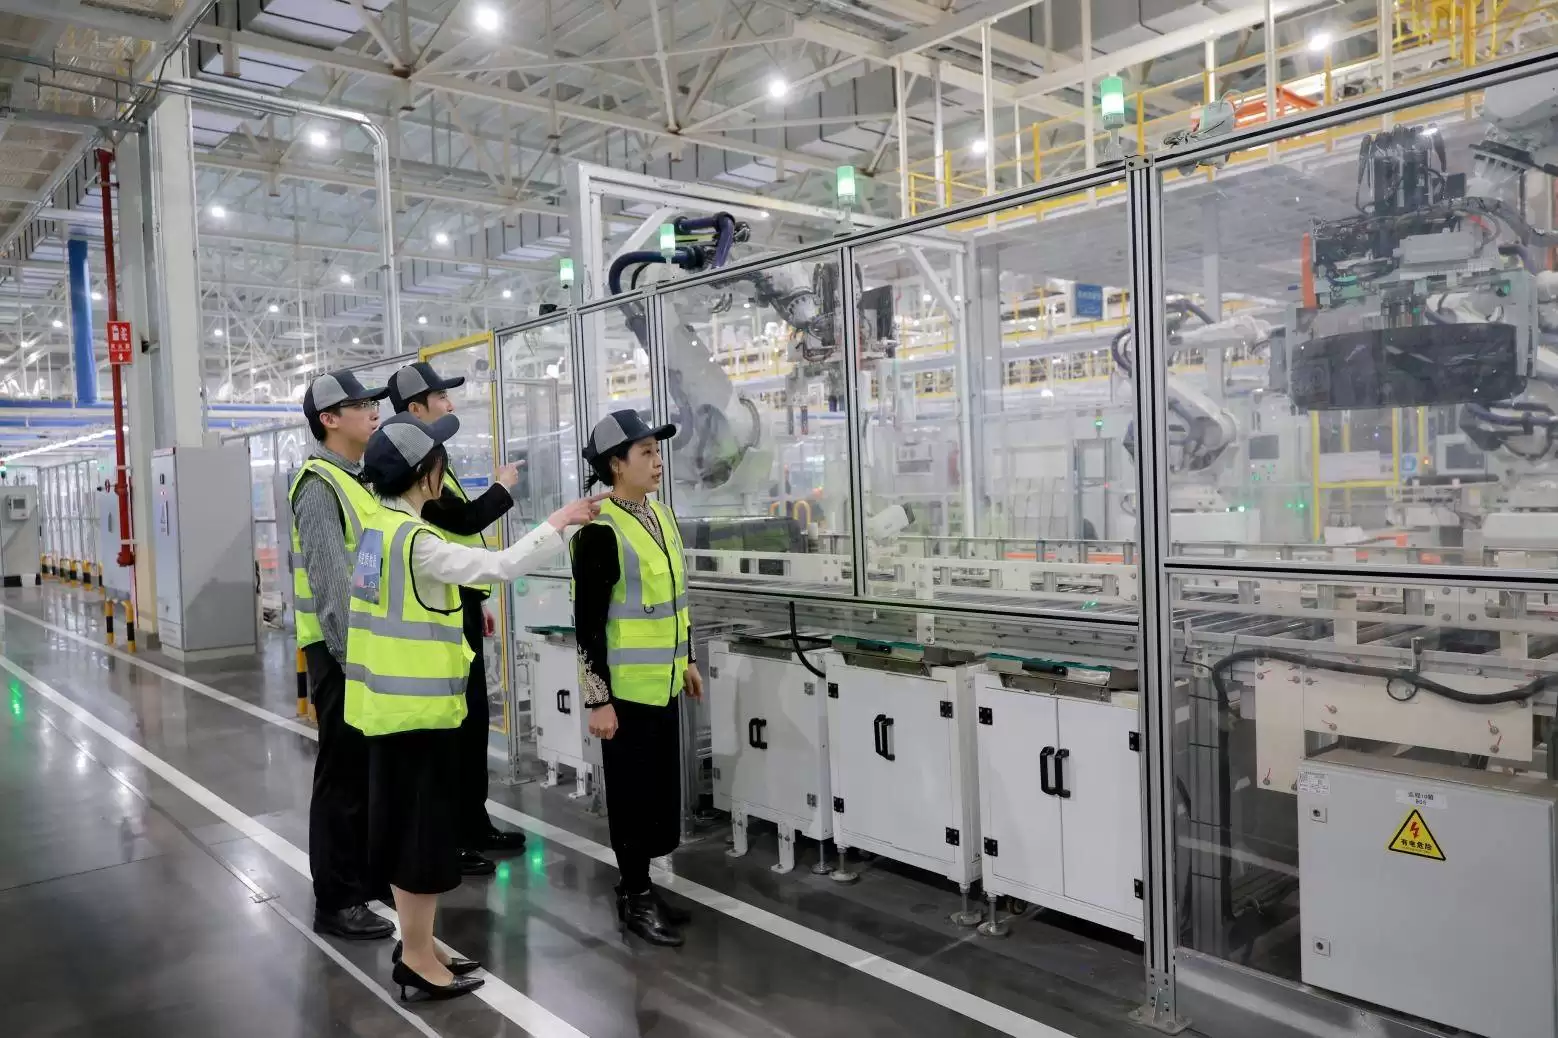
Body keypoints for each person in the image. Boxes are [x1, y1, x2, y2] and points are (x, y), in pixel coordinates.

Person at [349, 411, 602, 1001]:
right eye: (440, 461)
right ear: (425, 473)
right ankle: (417, 959)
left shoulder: (378, 529)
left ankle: (420, 941)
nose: (445, 470)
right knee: (421, 839)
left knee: (404, 832)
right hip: (418, 717)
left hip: (386, 712)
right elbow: (501, 566)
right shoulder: (417, 542)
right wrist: (559, 522)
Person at [389, 360, 525, 876]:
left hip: (459, 603)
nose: (450, 404)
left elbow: (456, 538)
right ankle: (451, 835)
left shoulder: (433, 461)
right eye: (441, 398)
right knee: (455, 727)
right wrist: (503, 487)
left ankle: (473, 823)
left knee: (473, 723)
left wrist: (476, 600)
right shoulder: (410, 471)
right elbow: (464, 521)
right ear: (416, 407)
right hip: (436, 615)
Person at [572, 409, 703, 948]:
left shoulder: (661, 515)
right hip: (624, 696)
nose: (657, 461)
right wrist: (597, 700)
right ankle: (634, 893)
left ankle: (642, 887)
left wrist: (687, 658)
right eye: (645, 452)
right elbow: (587, 626)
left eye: (657, 450)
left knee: (658, 800)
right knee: (630, 800)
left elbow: (675, 599)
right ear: (615, 465)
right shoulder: (599, 532)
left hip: (664, 684)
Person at [291, 370, 395, 942]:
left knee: (368, 774)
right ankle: (335, 900)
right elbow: (333, 590)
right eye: (361, 405)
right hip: (340, 655)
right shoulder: (319, 486)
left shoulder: (360, 481)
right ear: (329, 419)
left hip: (367, 650)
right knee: (343, 777)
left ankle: (365, 879)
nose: (373, 411)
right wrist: (358, 662)